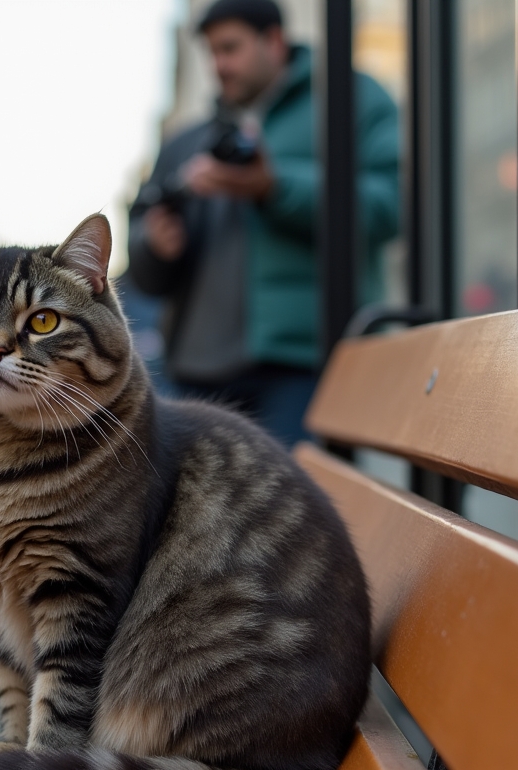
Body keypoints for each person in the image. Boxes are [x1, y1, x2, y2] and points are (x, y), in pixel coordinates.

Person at [128, 0, 399, 447]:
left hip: (306, 367)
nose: (219, 66)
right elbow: (141, 263)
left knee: (293, 511)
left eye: (230, 49)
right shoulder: (187, 143)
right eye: (212, 53)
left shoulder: (352, 101)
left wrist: (273, 187)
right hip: (198, 373)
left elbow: (391, 207)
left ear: (273, 41)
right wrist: (155, 246)